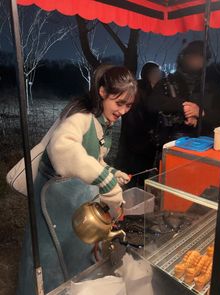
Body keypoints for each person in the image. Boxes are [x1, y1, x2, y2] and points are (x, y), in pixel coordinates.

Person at [17, 64, 137, 295]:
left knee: (75, 248)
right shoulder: (80, 116)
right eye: (119, 102)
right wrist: (105, 181)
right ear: (102, 92)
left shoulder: (103, 121)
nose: (122, 111)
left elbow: (92, 158)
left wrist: (110, 172)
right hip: (52, 196)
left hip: (73, 195)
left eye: (128, 105)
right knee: (49, 253)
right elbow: (63, 149)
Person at [146, 40, 211, 147]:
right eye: (192, 56)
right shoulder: (168, 82)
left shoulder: (211, 85)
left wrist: (200, 113)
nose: (195, 61)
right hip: (171, 143)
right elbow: (152, 103)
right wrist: (183, 106)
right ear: (184, 57)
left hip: (205, 144)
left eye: (200, 57)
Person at [116, 62, 162, 188]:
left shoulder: (155, 90)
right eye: (155, 73)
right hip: (136, 140)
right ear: (147, 74)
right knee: (131, 174)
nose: (158, 75)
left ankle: (137, 191)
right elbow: (133, 117)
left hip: (146, 142)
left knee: (141, 174)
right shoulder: (139, 90)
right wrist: (148, 131)